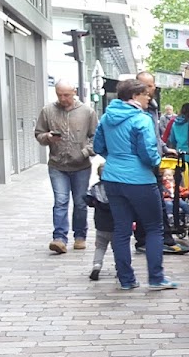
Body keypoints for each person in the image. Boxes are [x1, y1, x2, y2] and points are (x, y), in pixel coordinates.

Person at [93, 78, 179, 291]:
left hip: (112, 178)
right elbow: (148, 151)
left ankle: (126, 279)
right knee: (153, 228)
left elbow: (98, 146)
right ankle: (156, 278)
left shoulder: (106, 117)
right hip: (140, 179)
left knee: (121, 229)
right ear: (134, 96)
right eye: (145, 94)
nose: (149, 97)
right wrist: (156, 163)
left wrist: (116, 159)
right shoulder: (141, 119)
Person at [35, 82, 98, 254]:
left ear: (74, 93)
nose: (63, 99)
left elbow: (97, 138)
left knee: (80, 202)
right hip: (57, 164)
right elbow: (38, 134)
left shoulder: (87, 112)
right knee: (60, 201)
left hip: (81, 166)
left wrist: (84, 152)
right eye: (59, 95)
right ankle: (59, 238)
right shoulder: (47, 111)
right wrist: (47, 137)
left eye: (66, 95)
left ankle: (80, 236)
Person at [132, 72, 187, 254]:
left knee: (154, 201)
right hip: (143, 164)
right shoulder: (136, 111)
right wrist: (153, 157)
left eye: (152, 85)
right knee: (155, 202)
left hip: (152, 161)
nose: (151, 89)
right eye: (147, 86)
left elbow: (154, 135)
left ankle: (150, 239)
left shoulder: (153, 107)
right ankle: (160, 239)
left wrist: (163, 148)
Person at [85, 165, 112, 281]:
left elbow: (87, 199)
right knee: (118, 248)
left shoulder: (95, 188)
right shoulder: (116, 189)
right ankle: (120, 268)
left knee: (100, 247)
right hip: (116, 225)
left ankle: (97, 265)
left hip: (100, 225)